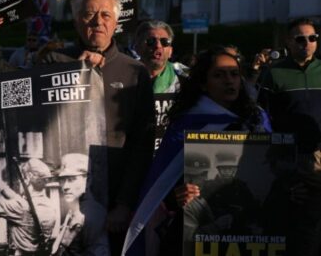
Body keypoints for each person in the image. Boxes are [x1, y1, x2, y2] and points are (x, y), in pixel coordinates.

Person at [37, 0, 155, 252]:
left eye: (105, 15)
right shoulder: (53, 62)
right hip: (61, 206)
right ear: (77, 21)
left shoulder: (135, 73)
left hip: (115, 206)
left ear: (116, 23)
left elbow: (142, 144)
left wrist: (124, 204)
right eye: (89, 14)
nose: (98, 22)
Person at [126, 47, 271, 256]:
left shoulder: (257, 119)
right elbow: (161, 184)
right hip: (193, 238)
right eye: (219, 75)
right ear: (203, 83)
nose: (229, 81)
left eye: (234, 74)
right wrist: (176, 197)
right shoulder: (187, 124)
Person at [257, 18, 321, 254]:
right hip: (289, 157)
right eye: (300, 39)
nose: (307, 43)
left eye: (312, 38)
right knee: (298, 223)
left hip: (319, 154)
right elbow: (262, 118)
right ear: (288, 42)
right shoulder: (273, 74)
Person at [0, 156, 58, 255]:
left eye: (22, 178)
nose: (20, 182)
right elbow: (21, 201)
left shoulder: (22, 208)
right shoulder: (49, 204)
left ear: (29, 177)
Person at [53, 153, 109, 256]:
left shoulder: (92, 213)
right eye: (62, 180)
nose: (65, 186)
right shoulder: (75, 207)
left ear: (87, 180)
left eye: (71, 179)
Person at [134, 20, 186, 94]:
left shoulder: (183, 74)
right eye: (151, 41)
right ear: (137, 48)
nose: (158, 46)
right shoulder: (124, 75)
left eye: (165, 42)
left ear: (170, 51)